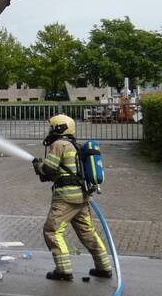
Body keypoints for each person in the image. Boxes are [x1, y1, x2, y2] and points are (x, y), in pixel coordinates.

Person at [32, 114, 113, 281]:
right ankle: (104, 267)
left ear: (59, 128)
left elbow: (49, 169)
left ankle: (63, 270)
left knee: (52, 230)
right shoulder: (74, 145)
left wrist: (38, 165)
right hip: (81, 196)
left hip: (66, 198)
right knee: (87, 232)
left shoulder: (59, 144)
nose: (50, 130)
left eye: (52, 127)